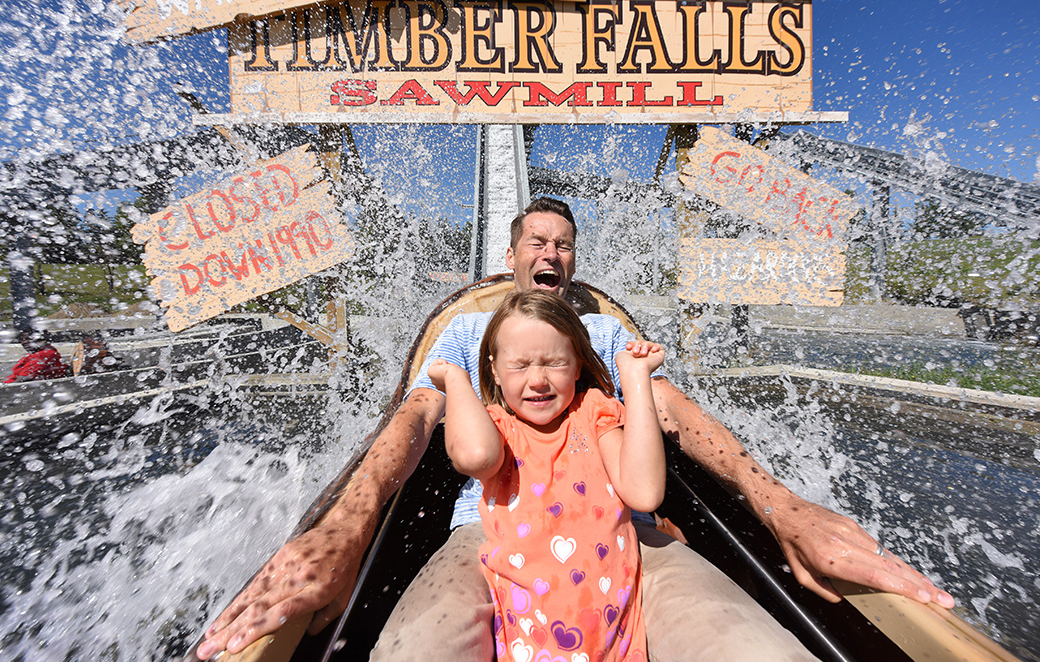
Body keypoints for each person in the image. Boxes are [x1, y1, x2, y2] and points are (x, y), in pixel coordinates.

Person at [196, 197, 954, 661]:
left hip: (624, 531)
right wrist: (349, 526)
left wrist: (781, 505)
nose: (550, 253)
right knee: (411, 649)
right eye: (537, 242)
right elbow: (418, 418)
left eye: (563, 244)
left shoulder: (602, 335)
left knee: (755, 648)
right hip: (489, 533)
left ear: (572, 261)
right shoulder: (467, 333)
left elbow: (672, 411)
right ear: (513, 256)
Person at [427, 290, 666, 662]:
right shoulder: (497, 428)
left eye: (554, 362)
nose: (537, 380)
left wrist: (635, 380)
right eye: (520, 366)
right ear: (494, 370)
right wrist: (456, 380)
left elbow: (645, 493)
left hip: (615, 638)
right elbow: (475, 457)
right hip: (531, 637)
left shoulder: (594, 413)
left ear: (577, 365)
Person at [5, 329, 69, 383]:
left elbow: (25, 378)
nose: (24, 342)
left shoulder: (44, 354)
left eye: (29, 339)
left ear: (40, 340)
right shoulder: (36, 352)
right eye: (23, 339)